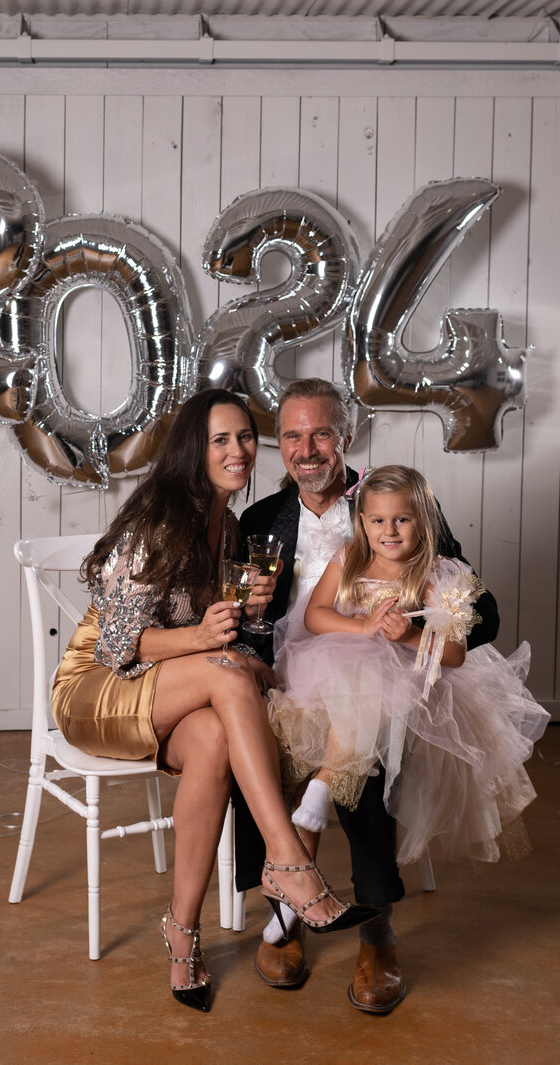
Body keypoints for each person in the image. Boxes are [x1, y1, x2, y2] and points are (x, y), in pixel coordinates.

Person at [49, 388, 376, 1014]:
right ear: (193, 450)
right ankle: (287, 860)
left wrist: (248, 623)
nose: (238, 450)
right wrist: (207, 640)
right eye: (220, 439)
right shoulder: (163, 516)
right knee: (229, 678)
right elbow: (118, 644)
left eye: (246, 437)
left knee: (218, 736)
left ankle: (182, 934)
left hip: (166, 685)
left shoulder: (231, 526)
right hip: (98, 686)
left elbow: (221, 638)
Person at [236, 378, 501, 1013]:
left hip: (391, 677)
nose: (307, 449)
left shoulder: (393, 502)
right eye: (293, 436)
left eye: (321, 433)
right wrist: (246, 618)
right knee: (250, 734)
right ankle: (292, 904)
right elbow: (240, 614)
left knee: (364, 741)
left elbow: (477, 608)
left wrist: (420, 629)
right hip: (288, 675)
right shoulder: (259, 520)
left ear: (345, 438)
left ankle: (377, 928)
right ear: (280, 445)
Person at [269, 464, 549, 872]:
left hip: (410, 677)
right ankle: (298, 864)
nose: (391, 531)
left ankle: (323, 786)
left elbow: (454, 654)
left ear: (424, 520)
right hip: (343, 666)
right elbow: (315, 616)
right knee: (349, 687)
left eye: (402, 519)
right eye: (379, 520)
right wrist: (362, 627)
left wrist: (409, 636)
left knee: (374, 688)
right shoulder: (349, 558)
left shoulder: (435, 573)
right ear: (362, 523)